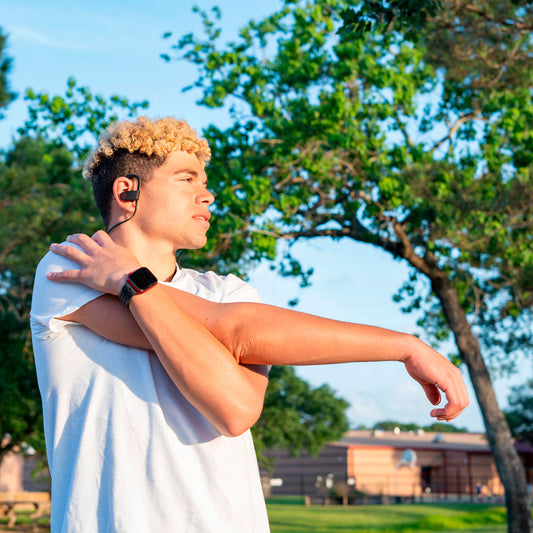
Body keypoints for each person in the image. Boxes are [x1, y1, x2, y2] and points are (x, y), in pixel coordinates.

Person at [31, 116, 468, 532]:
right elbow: (236, 334)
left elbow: (236, 409)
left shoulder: (230, 292)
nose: (208, 196)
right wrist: (405, 348)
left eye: (206, 184)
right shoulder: (69, 268)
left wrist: (129, 283)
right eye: (186, 180)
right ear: (128, 192)